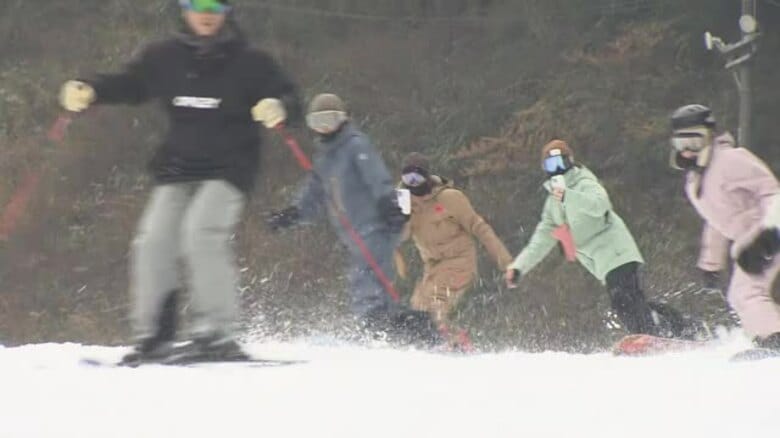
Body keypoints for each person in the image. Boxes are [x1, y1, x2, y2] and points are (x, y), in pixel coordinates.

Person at [58, 0, 302, 363]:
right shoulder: (164, 56)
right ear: (183, 9)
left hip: (230, 167)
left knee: (200, 232)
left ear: (226, 12)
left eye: (215, 5)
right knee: (152, 241)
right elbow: (131, 84)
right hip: (178, 167)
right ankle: (156, 335)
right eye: (197, 4)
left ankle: (216, 334)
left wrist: (278, 106)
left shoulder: (252, 62)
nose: (206, 13)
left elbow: (291, 97)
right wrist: (90, 89)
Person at [267, 94, 441, 347]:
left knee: (367, 284)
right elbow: (313, 195)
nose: (326, 127)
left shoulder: (355, 145)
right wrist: (291, 214)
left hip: (376, 226)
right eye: (319, 121)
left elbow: (376, 176)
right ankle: (411, 331)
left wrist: (388, 204)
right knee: (371, 286)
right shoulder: (325, 158)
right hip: (355, 234)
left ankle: (387, 331)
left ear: (343, 119)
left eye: (331, 120)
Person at [505, 140, 691, 338]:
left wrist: (568, 195)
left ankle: (649, 334)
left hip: (616, 250)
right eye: (551, 166)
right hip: (601, 261)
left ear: (570, 162)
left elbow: (600, 204)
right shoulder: (553, 204)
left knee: (623, 299)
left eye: (561, 163)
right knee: (630, 300)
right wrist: (519, 267)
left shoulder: (584, 182)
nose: (557, 170)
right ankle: (679, 327)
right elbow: (540, 241)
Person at [668, 104, 780, 350]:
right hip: (750, 239)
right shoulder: (696, 177)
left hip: (768, 233)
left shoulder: (731, 159)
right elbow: (717, 221)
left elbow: (773, 193)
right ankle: (767, 337)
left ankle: (774, 340)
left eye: (694, 142)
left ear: (710, 135)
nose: (687, 151)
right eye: (680, 144)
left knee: (746, 291)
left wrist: (769, 235)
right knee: (741, 294)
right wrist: (711, 264)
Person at [397, 152, 512, 328]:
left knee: (435, 305)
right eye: (408, 178)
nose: (413, 183)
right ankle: (446, 341)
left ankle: (442, 341)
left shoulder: (449, 198)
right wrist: (402, 218)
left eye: (417, 177)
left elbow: (480, 228)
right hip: (432, 266)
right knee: (418, 305)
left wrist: (506, 262)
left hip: (459, 261)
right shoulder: (405, 202)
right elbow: (401, 237)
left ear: (426, 177)